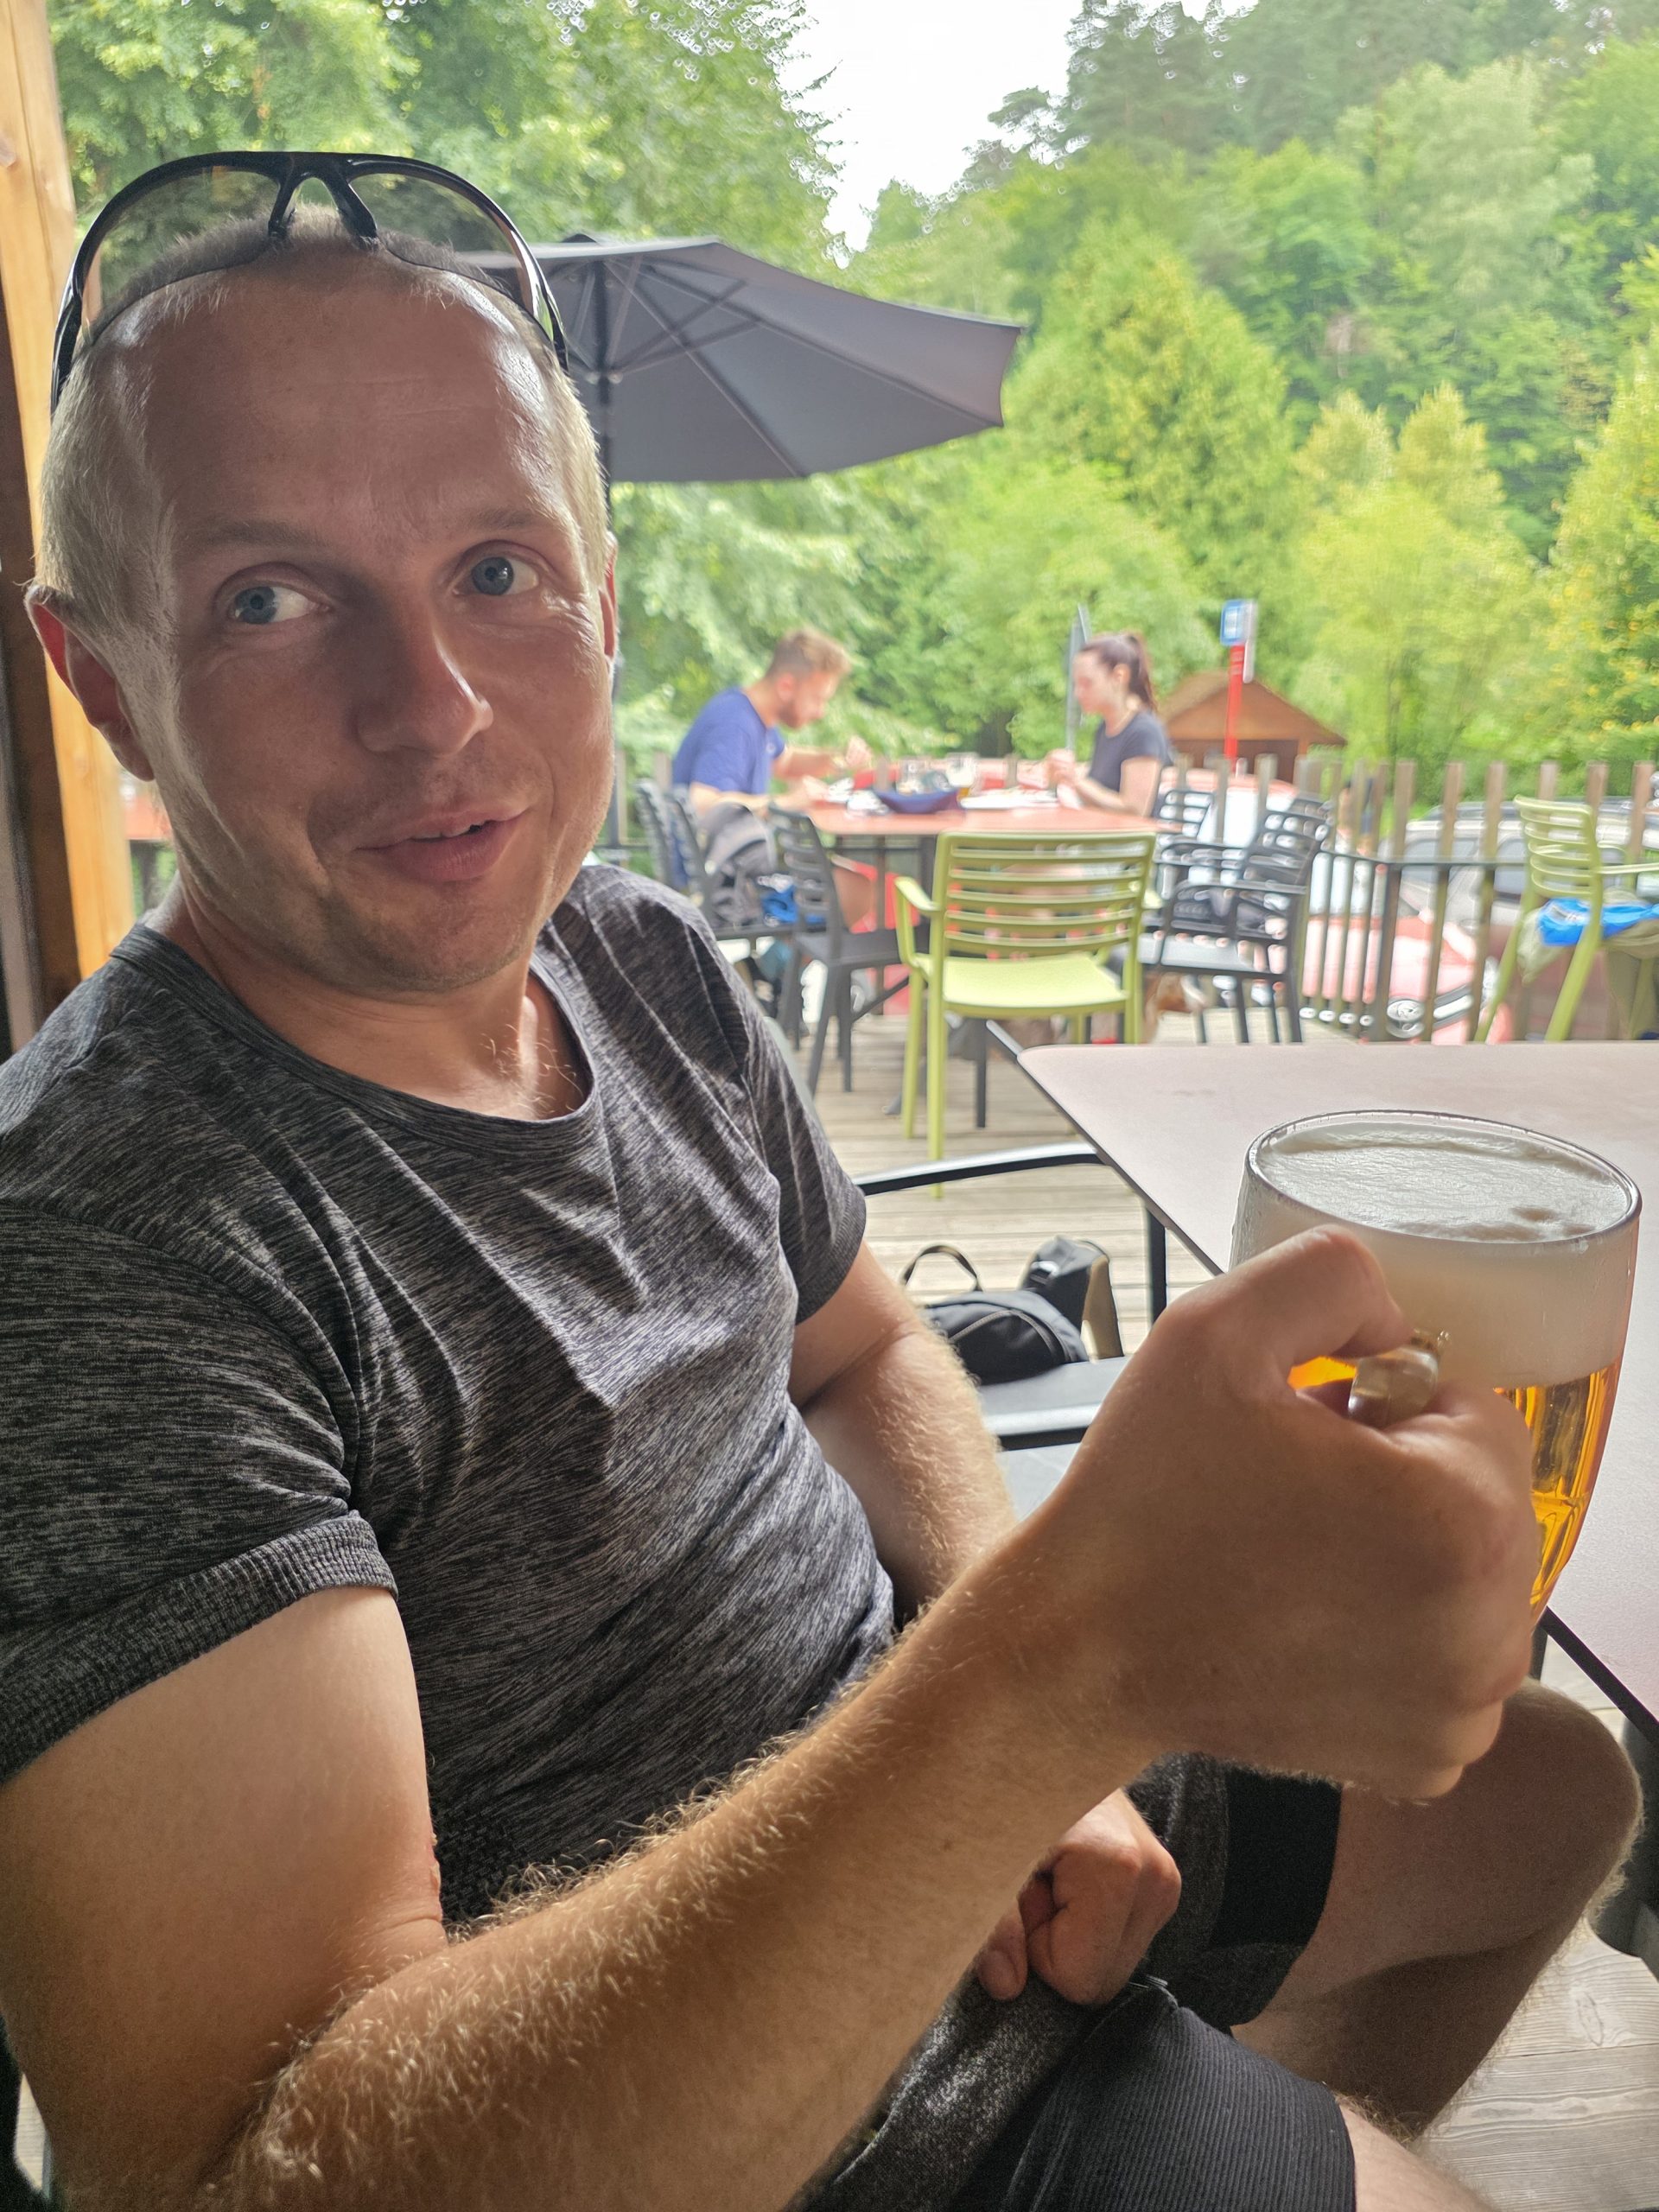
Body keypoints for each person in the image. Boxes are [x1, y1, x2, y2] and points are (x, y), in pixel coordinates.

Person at [0, 155, 1637, 2212]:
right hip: (754, 2098)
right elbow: (244, 2170)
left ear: (602, 588)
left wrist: (1003, 1681)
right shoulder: (108, 1242)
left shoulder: (638, 956)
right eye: (268, 598)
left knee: (1551, 1787)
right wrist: (1044, 1686)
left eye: (498, 569)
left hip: (945, 1776)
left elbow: (865, 1355)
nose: (432, 703)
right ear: (101, 676)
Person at [672, 629, 871, 818]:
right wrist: (788, 802)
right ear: (786, 687)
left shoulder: (756, 716)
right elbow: (703, 805)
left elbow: (786, 762)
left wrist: (837, 758)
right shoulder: (734, 724)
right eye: (817, 699)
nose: (821, 713)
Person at [1047, 632, 1174, 820]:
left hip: (1130, 839)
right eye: (1076, 684)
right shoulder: (1105, 728)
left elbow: (1135, 810)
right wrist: (1064, 774)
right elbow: (1100, 791)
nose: (1078, 693)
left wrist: (1075, 780)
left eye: (1087, 683)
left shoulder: (1143, 732)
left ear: (1119, 676)